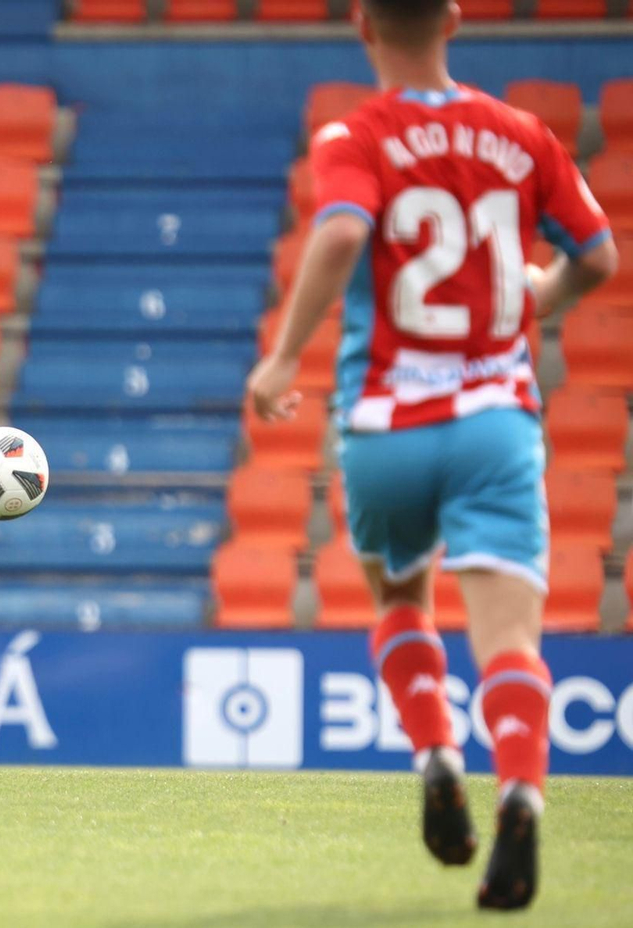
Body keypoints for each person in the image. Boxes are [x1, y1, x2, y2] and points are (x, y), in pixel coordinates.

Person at [246, 0, 616, 910]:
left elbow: (338, 233)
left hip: (386, 428)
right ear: (453, 19)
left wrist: (284, 355)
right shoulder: (523, 135)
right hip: (495, 421)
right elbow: (599, 254)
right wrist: (540, 294)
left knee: (401, 601)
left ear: (364, 26)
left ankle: (437, 752)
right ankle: (521, 791)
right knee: (510, 643)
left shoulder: (356, 134)